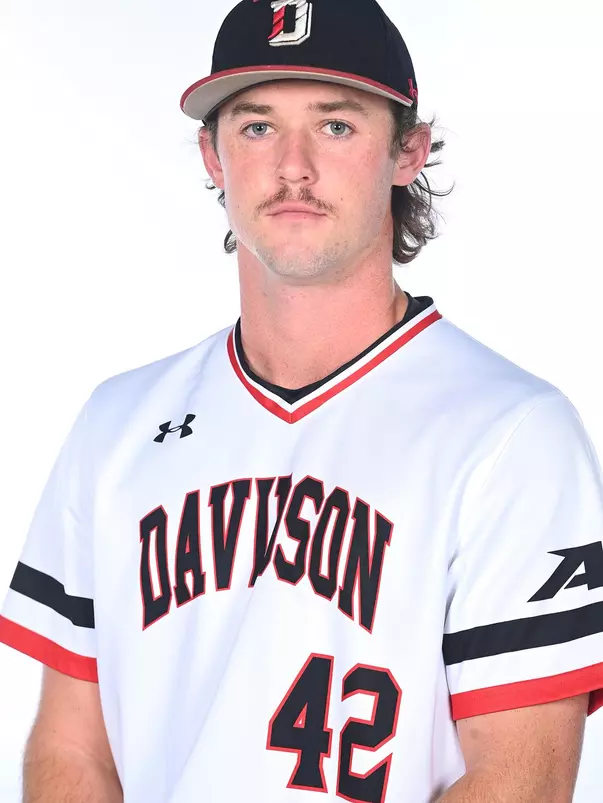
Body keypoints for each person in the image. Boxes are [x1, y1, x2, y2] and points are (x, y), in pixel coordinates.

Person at [2, 1, 603, 801]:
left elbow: (517, 782)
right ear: (213, 154)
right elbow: (71, 748)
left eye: (335, 125)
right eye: (256, 127)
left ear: (407, 151)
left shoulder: (513, 435)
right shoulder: (116, 424)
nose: (293, 167)